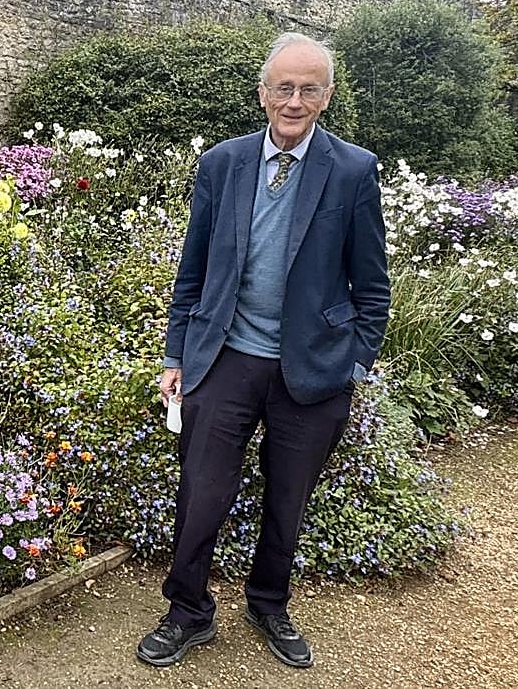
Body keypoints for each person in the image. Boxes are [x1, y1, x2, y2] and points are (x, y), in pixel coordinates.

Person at [136, 32, 390, 670]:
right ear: (263, 93)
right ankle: (188, 611)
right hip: (225, 356)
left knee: (288, 497)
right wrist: (176, 354)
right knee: (201, 492)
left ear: (326, 97)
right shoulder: (222, 163)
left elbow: (372, 285)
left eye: (308, 89)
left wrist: (354, 362)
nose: (294, 101)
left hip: (313, 367)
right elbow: (193, 271)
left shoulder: (353, 170)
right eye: (284, 88)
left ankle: (269, 603)